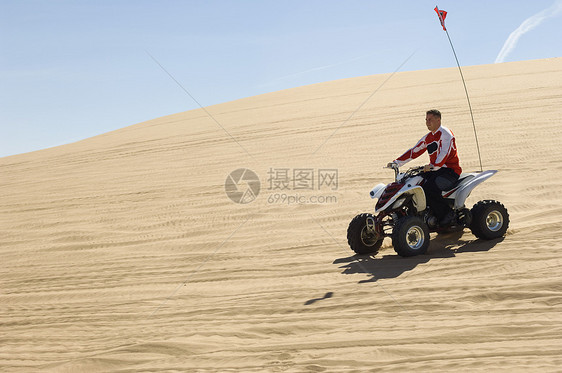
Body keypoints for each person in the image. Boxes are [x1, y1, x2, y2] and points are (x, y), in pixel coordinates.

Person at [387, 109, 462, 226]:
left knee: (428, 189)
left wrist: (434, 166)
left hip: (449, 171)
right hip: (435, 170)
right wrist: (397, 162)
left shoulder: (446, 135)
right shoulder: (429, 138)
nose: (427, 122)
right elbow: (414, 151)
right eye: (426, 120)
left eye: (430, 119)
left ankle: (447, 215)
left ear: (438, 120)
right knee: (413, 182)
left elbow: (444, 154)